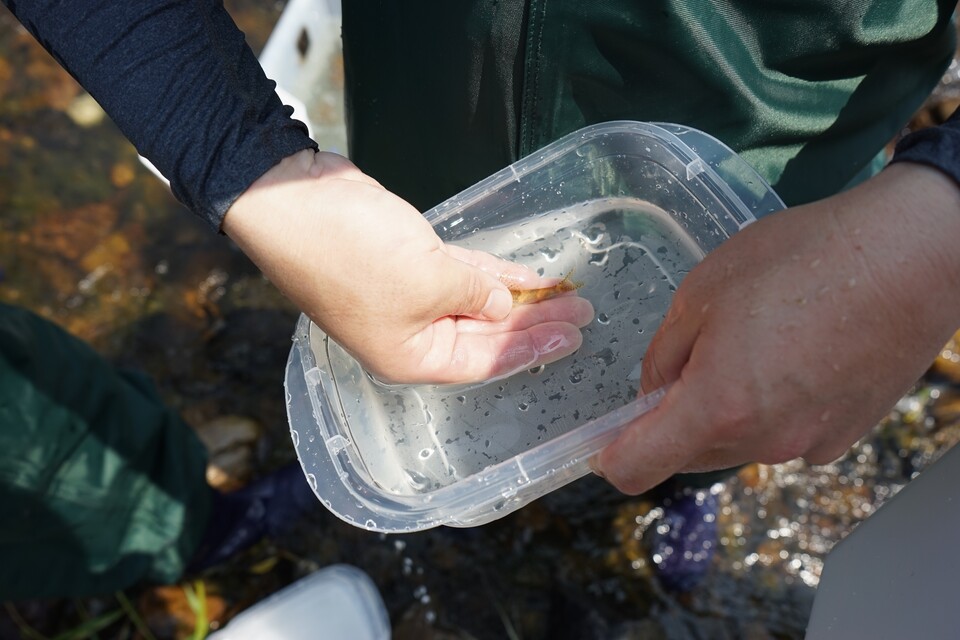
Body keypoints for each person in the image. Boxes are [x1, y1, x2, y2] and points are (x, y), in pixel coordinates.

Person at [1, 0, 957, 598]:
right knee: (465, 316)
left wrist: (930, 236)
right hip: (431, 106)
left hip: (775, 146)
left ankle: (690, 484)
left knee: (726, 382)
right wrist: (254, 166)